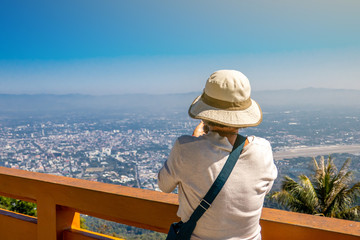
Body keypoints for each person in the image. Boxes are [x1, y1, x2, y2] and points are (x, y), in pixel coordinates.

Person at [158, 70, 277, 240]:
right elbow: (261, 189)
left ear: (205, 115)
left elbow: (164, 185)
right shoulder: (262, 150)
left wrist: (195, 142)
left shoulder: (185, 149)